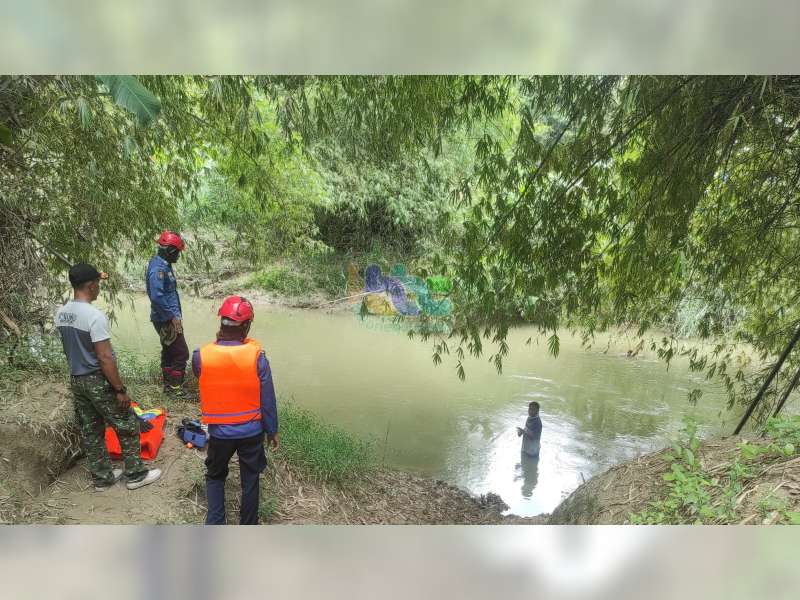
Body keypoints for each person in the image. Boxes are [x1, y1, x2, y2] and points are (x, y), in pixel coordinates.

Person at [55, 263, 162, 491]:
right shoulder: (94, 316)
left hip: (76, 379)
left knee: (91, 429)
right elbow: (104, 357)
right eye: (98, 283)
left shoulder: (61, 313)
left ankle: (102, 477)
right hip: (97, 379)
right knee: (127, 424)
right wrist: (119, 390)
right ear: (91, 285)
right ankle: (135, 474)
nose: (99, 288)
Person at [192, 295, 279, 525]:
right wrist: (272, 430)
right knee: (250, 479)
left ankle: (216, 523)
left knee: (215, 476)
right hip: (251, 433)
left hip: (220, 433)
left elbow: (202, 376)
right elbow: (267, 398)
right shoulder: (258, 357)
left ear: (221, 322)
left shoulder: (201, 356)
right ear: (247, 326)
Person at [146, 230, 189, 397]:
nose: (178, 256)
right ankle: (175, 389)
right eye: (177, 252)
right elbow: (157, 296)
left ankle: (168, 387)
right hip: (166, 318)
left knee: (169, 351)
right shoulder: (158, 269)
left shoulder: (163, 264)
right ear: (170, 250)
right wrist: (171, 318)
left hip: (167, 316)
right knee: (180, 353)